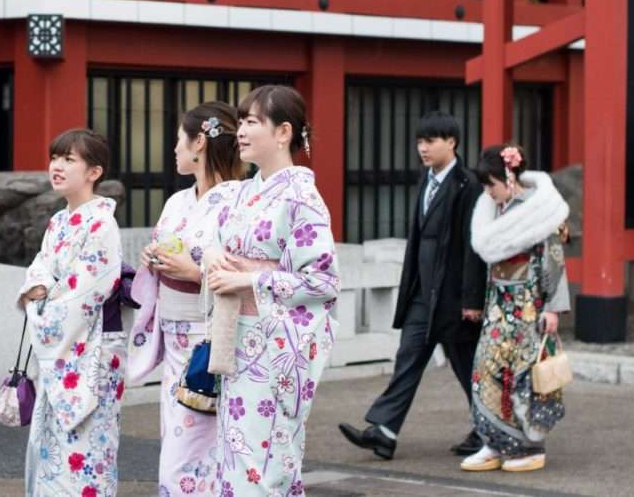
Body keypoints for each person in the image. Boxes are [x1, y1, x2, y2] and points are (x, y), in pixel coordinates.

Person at [205, 85, 339, 495]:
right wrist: (211, 251)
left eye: (252, 121)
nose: (241, 130)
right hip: (239, 338)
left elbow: (323, 280)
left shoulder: (302, 197)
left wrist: (250, 279)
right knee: (235, 454)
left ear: (283, 132)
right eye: (241, 121)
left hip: (275, 347)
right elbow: (208, 235)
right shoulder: (242, 191)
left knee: (264, 464)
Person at [339, 111, 486, 459]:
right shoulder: (426, 180)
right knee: (408, 358)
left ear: (451, 142)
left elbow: (473, 247)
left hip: (454, 297)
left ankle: (489, 429)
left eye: (430, 141)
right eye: (420, 141)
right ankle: (384, 432)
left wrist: (472, 300)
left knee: (467, 367)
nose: (422, 148)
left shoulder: (468, 185)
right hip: (423, 295)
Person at [127, 102, 245, 495]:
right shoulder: (178, 201)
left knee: (190, 455)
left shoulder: (238, 202)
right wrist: (152, 260)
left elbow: (243, 271)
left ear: (199, 143)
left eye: (179, 138)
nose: (174, 148)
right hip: (174, 337)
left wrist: (194, 274)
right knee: (181, 446)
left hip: (209, 341)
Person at [18, 129, 125, 497]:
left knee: (88, 451)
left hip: (91, 349)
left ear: (94, 172)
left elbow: (87, 292)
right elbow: (39, 271)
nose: (57, 167)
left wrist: (43, 301)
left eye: (69, 160)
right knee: (52, 450)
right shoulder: (59, 222)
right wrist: (41, 290)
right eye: (55, 158)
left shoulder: (102, 224)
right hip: (62, 352)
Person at [461, 144, 569, 473]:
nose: (487, 192)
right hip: (498, 303)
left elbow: (554, 259)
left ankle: (529, 446)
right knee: (485, 372)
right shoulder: (491, 209)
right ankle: (493, 442)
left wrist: (553, 307)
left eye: (490, 184)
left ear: (508, 178)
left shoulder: (540, 208)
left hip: (528, 305)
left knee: (522, 378)